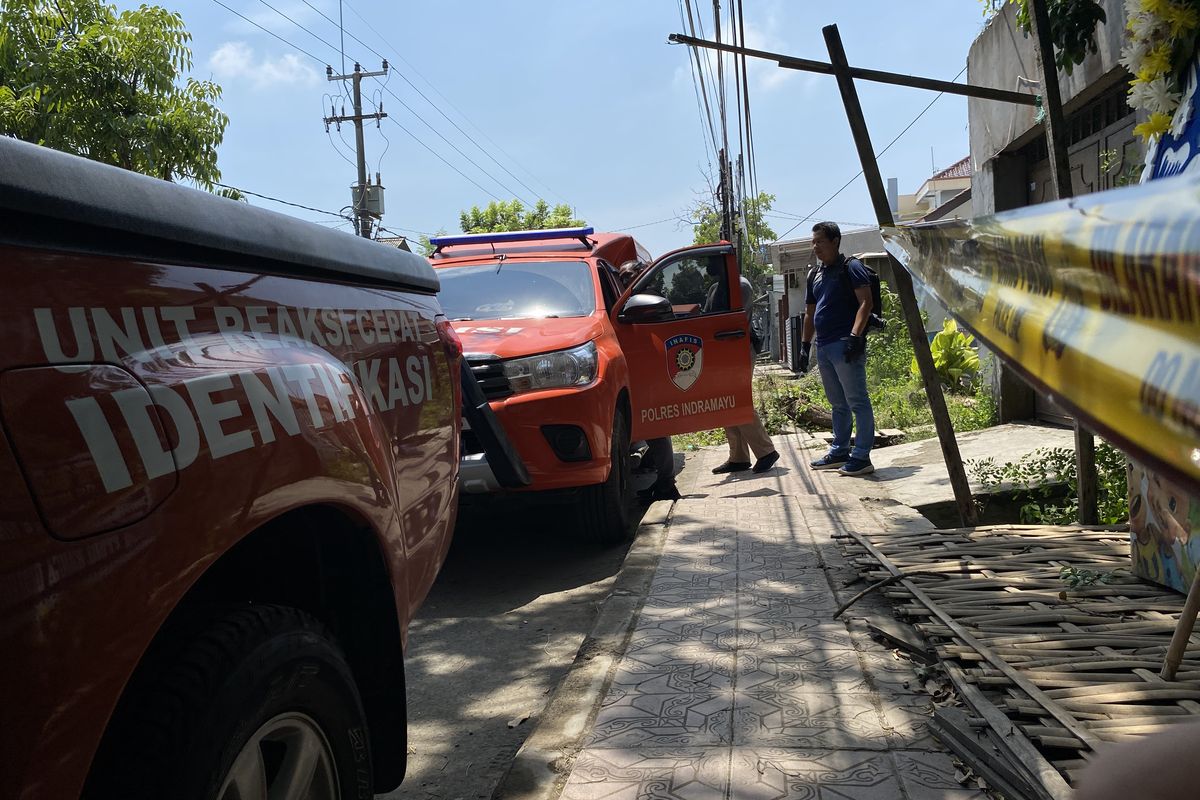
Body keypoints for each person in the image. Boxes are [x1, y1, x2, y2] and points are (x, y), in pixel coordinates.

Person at [799, 221, 876, 476]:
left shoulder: (850, 267)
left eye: (820, 241)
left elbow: (866, 302)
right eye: (813, 241)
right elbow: (810, 314)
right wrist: (804, 346)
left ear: (835, 241)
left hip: (845, 344)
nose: (815, 246)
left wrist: (855, 336)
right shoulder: (815, 275)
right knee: (837, 403)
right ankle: (840, 450)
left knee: (857, 401)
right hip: (823, 346)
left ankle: (862, 456)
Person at [706, 260, 779, 475]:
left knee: (738, 401)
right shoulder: (715, 287)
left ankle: (766, 451)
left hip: (738, 351)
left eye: (712, 260)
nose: (708, 266)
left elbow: (725, 319)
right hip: (721, 353)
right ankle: (738, 457)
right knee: (726, 403)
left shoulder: (741, 285)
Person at [617, 260, 682, 502]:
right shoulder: (630, 299)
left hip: (652, 373)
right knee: (652, 427)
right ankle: (664, 481)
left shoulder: (649, 299)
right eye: (622, 276)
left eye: (629, 275)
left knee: (657, 427)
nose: (624, 280)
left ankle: (667, 484)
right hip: (640, 372)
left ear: (643, 274)